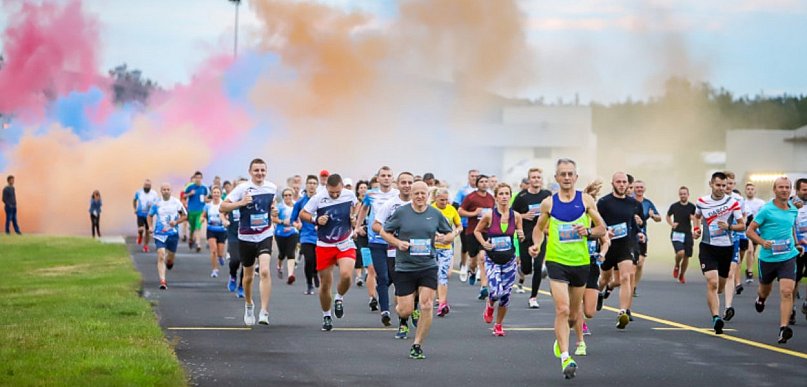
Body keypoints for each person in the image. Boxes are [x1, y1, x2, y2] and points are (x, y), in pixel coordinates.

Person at [528, 159, 606, 379]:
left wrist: (588, 232)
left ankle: (561, 337)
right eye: (562, 174)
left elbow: (602, 228)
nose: (567, 177)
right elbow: (538, 229)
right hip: (556, 261)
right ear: (556, 178)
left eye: (570, 174)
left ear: (576, 177)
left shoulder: (586, 200)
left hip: (580, 263)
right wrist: (536, 245)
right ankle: (565, 357)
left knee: (573, 316)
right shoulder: (548, 204)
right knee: (561, 310)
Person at [381, 181, 453, 359]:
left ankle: (417, 345)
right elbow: (384, 232)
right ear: (411, 195)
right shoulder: (401, 213)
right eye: (416, 193)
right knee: (404, 309)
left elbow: (450, 233)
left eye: (423, 193)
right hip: (405, 267)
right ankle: (405, 315)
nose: (420, 196)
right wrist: (398, 243)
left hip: (428, 265)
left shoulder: (435, 214)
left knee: (427, 305)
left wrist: (446, 238)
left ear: (428, 195)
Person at [220, 159, 277, 326]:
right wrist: (241, 203)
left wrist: (273, 210)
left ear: (266, 171)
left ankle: (264, 311)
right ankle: (249, 304)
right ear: (250, 172)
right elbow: (223, 207)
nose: (260, 173)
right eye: (256, 170)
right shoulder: (242, 188)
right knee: (248, 277)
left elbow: (272, 206)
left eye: (262, 170)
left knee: (265, 271)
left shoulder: (271, 188)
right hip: (246, 236)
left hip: (265, 233)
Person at [746, 177, 802, 343]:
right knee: (765, 290)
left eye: (787, 187)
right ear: (774, 190)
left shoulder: (793, 209)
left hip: (788, 256)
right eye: (781, 187)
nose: (784, 190)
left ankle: (783, 328)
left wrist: (796, 244)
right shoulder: (766, 210)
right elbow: (750, 231)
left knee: (786, 291)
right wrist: (763, 242)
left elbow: (791, 227)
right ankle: (760, 299)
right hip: (768, 258)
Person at [300, 174, 359, 332]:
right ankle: (326, 315)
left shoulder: (349, 194)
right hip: (325, 244)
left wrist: (354, 218)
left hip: (345, 242)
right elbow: (303, 214)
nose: (334, 195)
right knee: (325, 284)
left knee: (347, 275)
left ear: (342, 187)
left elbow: (358, 206)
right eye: (332, 192)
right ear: (326, 188)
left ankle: (339, 298)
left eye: (337, 192)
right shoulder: (318, 198)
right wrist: (315, 220)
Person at [693, 171, 745, 334]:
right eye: (718, 185)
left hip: (726, 248)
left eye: (724, 185)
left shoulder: (732, 203)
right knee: (712, 282)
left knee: (720, 286)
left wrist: (728, 227)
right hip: (708, 247)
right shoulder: (702, 201)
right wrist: (696, 229)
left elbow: (742, 225)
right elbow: (696, 217)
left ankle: (717, 299)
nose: (721, 188)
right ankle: (716, 317)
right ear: (711, 184)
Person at [357, 168, 405, 326]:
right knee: (382, 277)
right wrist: (358, 226)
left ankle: (404, 308)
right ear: (378, 178)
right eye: (383, 176)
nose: (386, 178)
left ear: (393, 179)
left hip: (394, 242)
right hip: (376, 240)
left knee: (397, 277)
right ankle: (385, 311)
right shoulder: (370, 194)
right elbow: (363, 209)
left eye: (389, 176)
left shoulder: (398, 194)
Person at [476, 183, 525, 336]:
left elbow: (519, 233)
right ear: (496, 197)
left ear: (510, 196)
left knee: (505, 296)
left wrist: (521, 236)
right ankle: (490, 304)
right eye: (501, 194)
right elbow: (477, 231)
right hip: (492, 259)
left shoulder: (516, 216)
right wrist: (484, 244)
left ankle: (498, 324)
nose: (504, 196)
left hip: (509, 259)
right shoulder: (489, 215)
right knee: (496, 292)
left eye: (507, 193)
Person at [596, 172, 644, 329]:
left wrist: (639, 232)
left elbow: (634, 223)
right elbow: (596, 223)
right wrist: (605, 233)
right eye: (619, 182)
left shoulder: (633, 203)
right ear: (613, 183)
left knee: (625, 277)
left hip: (626, 244)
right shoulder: (604, 202)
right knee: (604, 279)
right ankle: (598, 294)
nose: (622, 184)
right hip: (608, 244)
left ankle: (622, 312)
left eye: (624, 182)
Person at [572, 179, 610, 356]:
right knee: (576, 304)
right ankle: (580, 339)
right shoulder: (572, 220)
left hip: (593, 266)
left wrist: (602, 253)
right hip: (575, 265)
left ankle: (598, 297)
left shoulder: (596, 221)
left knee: (590, 311)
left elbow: (605, 241)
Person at [511, 168, 552, 309]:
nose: (536, 179)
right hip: (525, 235)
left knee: (538, 266)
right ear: (529, 180)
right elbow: (511, 215)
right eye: (533, 177)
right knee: (527, 269)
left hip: (540, 235)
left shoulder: (547, 195)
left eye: (538, 177)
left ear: (541, 180)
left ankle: (533, 297)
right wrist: (523, 216)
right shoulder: (522, 197)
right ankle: (521, 269)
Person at [459, 175, 495, 299]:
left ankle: (484, 287)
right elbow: (460, 211)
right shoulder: (471, 197)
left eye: (486, 181)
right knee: (473, 260)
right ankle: (472, 271)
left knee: (483, 258)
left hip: (486, 232)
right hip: (472, 231)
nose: (484, 184)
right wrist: (474, 213)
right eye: (482, 182)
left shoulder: (491, 198)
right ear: (477, 183)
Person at [147, 183, 188, 290]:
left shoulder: (176, 202)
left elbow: (184, 216)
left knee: (170, 257)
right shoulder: (157, 203)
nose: (166, 191)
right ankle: (162, 281)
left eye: (168, 189)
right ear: (161, 191)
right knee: (161, 255)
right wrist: (150, 226)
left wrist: (176, 221)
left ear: (171, 191)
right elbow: (150, 215)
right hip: (159, 234)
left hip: (172, 234)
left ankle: (170, 262)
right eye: (164, 189)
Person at [432, 188, 462, 317]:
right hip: (432, 247)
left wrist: (454, 234)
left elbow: (459, 226)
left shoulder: (451, 209)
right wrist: (435, 235)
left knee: (443, 273)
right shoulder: (431, 209)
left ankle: (442, 303)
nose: (444, 202)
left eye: (446, 200)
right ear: (436, 199)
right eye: (441, 200)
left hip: (446, 247)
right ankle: (435, 298)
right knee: (433, 275)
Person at [291, 175, 321, 295]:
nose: (312, 185)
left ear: (317, 186)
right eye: (310, 183)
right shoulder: (300, 202)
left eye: (314, 183)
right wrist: (297, 225)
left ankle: (315, 273)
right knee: (309, 259)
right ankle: (309, 284)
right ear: (306, 185)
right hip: (306, 235)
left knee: (316, 261)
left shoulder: (321, 200)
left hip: (319, 235)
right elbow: (293, 219)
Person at [352, 180, 378, 310]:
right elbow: (355, 219)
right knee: (371, 269)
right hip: (365, 238)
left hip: (381, 238)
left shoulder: (388, 202)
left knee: (381, 272)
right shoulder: (362, 204)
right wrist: (358, 227)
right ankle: (372, 297)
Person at [632, 180, 660, 296]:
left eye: (641, 187)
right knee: (631, 263)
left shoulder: (648, 203)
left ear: (644, 189)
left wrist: (653, 216)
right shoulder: (629, 202)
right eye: (637, 187)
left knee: (640, 263)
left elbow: (659, 218)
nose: (639, 189)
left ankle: (633, 287)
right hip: (630, 236)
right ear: (633, 188)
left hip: (643, 237)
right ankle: (627, 284)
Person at [453, 169, 480, 282]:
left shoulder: (484, 191)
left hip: (480, 223)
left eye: (476, 176)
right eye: (472, 176)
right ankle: (464, 265)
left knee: (479, 247)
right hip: (465, 222)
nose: (474, 178)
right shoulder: (463, 191)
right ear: (468, 177)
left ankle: (478, 268)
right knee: (466, 246)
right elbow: (455, 205)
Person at [666, 186, 696, 284]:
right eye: (681, 194)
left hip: (687, 233)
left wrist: (693, 219)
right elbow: (667, 216)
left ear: (688, 195)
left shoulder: (692, 207)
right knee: (680, 253)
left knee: (687, 256)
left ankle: (682, 274)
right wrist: (671, 223)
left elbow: (697, 218)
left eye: (684, 194)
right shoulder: (674, 206)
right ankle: (677, 265)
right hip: (677, 233)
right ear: (679, 195)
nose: (683, 195)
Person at [222, 178, 246, 298]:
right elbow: (222, 211)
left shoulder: (250, 200)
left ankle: (241, 285)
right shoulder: (232, 201)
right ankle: (232, 276)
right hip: (233, 235)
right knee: (235, 260)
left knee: (246, 263)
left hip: (247, 235)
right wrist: (224, 220)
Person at [274, 188, 300, 284]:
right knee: (282, 254)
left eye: (290, 195)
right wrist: (282, 221)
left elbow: (299, 218)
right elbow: (274, 218)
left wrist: (298, 224)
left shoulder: (296, 206)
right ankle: (279, 266)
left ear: (292, 196)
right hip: (280, 233)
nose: (288, 197)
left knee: (291, 253)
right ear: (283, 196)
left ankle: (290, 275)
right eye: (286, 195)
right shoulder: (280, 207)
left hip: (293, 232)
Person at [742, 182, 766, 283]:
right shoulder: (742, 202)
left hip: (757, 228)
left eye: (752, 189)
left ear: (755, 191)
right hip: (746, 228)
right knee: (750, 250)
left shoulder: (760, 202)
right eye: (748, 189)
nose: (750, 191)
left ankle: (748, 268)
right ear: (745, 191)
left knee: (753, 252)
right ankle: (750, 272)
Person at [201, 186, 228, 278]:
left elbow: (228, 215)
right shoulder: (208, 205)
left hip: (222, 231)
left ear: (220, 194)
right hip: (211, 230)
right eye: (214, 192)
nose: (216, 194)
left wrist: (226, 220)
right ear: (212, 194)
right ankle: (215, 269)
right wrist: (201, 219)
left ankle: (220, 257)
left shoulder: (224, 204)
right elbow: (203, 215)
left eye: (218, 193)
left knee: (220, 252)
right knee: (213, 251)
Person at [792, 178, 807, 321]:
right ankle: (791, 308)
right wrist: (796, 242)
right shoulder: (792, 205)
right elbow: (790, 226)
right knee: (795, 280)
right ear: (797, 190)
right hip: (798, 248)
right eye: (804, 190)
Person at [184, 171, 210, 253]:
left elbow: (205, 198)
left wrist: (211, 201)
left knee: (198, 227)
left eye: (199, 178)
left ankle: (198, 244)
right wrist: (189, 194)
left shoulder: (204, 188)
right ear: (194, 178)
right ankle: (191, 239)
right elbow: (184, 196)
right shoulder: (190, 187)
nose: (198, 179)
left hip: (200, 211)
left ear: (201, 178)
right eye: (196, 178)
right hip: (191, 211)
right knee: (192, 228)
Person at [134, 179, 158, 252]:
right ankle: (140, 235)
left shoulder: (154, 193)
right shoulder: (139, 192)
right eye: (145, 185)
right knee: (141, 229)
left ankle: (145, 246)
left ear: (150, 186)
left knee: (148, 231)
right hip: (140, 214)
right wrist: (135, 208)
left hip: (149, 215)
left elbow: (157, 203)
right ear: (143, 185)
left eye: (148, 185)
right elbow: (134, 200)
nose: (147, 187)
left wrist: (153, 206)